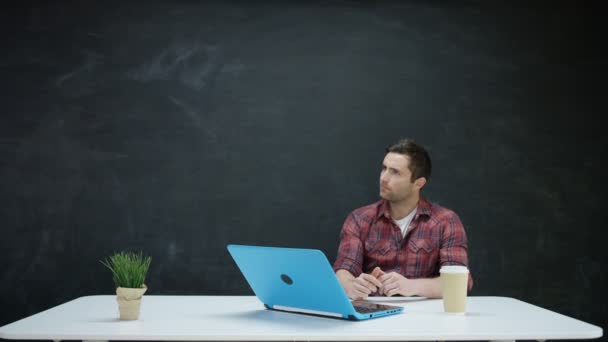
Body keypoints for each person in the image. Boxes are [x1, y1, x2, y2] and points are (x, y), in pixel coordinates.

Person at [333, 138, 473, 299]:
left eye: (395, 172)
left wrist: (410, 286)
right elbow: (343, 270)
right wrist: (351, 286)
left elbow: (461, 283)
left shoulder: (446, 221)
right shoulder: (360, 219)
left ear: (418, 183)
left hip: (427, 318)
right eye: (384, 168)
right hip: (374, 316)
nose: (384, 178)